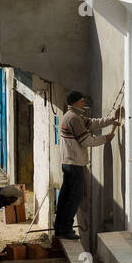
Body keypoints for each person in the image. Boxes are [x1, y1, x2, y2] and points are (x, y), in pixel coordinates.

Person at [55, 91, 118, 242]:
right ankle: (66, 229)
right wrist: (105, 138)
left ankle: (60, 227)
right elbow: (86, 141)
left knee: (65, 197)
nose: (84, 103)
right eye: (81, 101)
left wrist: (111, 120)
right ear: (75, 102)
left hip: (68, 162)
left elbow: (93, 122)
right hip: (75, 164)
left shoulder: (72, 116)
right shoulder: (74, 119)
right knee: (75, 197)